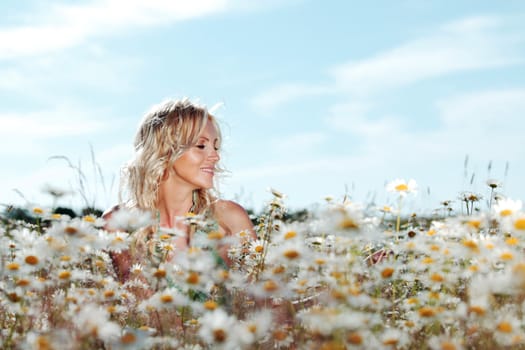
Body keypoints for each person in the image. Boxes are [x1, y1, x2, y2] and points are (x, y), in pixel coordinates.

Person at [104, 98, 256, 283]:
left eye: (216, 147)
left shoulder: (230, 219)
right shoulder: (118, 224)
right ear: (165, 149)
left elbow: (270, 303)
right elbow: (138, 302)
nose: (216, 156)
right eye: (201, 146)